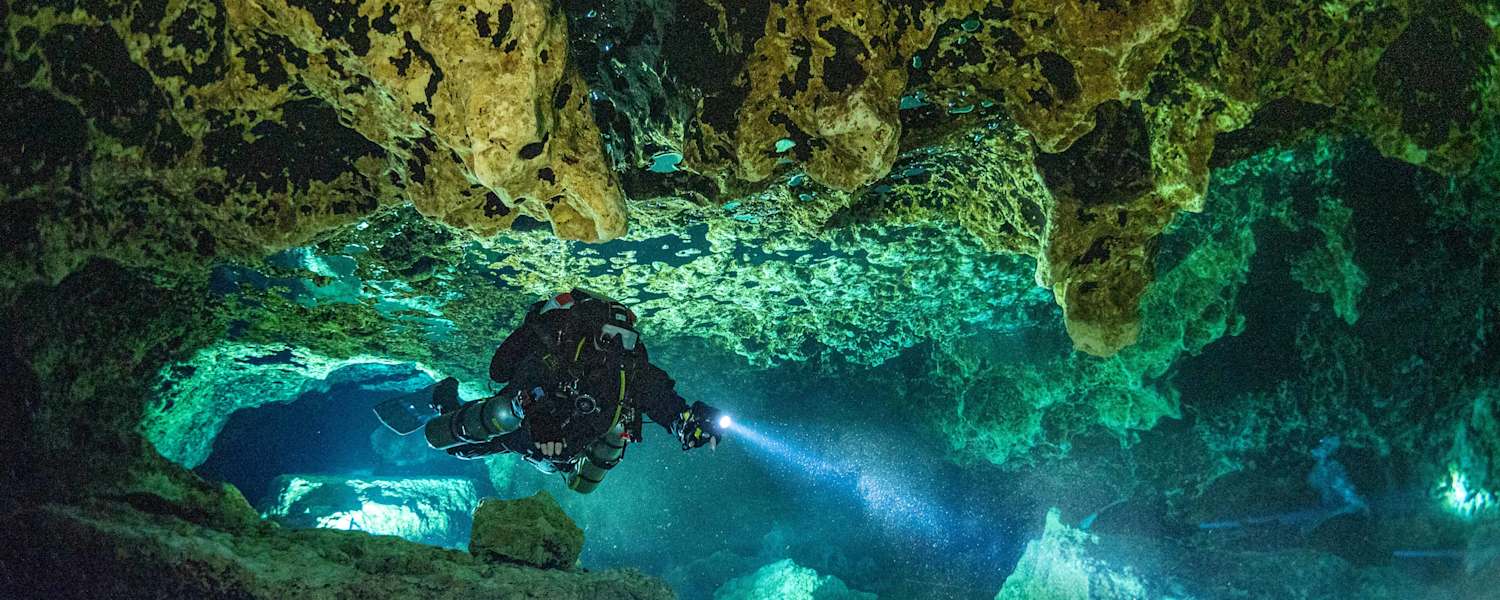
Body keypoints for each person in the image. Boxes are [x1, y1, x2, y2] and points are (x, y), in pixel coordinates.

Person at [374, 288, 728, 493]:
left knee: (602, 455)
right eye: (612, 338)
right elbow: (528, 377)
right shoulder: (559, 351)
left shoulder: (630, 369)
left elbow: (661, 399)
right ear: (592, 333)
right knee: (463, 449)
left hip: (566, 450)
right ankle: (441, 399)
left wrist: (689, 423)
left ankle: (448, 404)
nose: (619, 347)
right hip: (526, 431)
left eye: (627, 340)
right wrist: (540, 419)